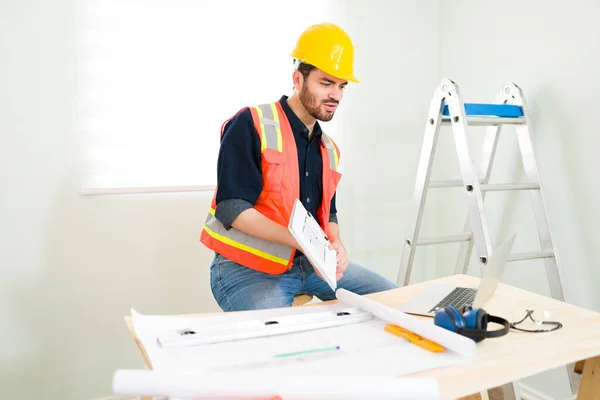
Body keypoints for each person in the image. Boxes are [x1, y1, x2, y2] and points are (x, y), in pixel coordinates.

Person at [200, 22, 397, 312]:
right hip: (246, 267)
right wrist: (299, 241)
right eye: (326, 83)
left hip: (312, 266)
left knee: (394, 303)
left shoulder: (328, 148)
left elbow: (328, 211)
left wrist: (336, 244)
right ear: (298, 79)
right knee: (277, 340)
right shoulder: (251, 123)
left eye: (342, 86)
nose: (336, 95)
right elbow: (231, 208)